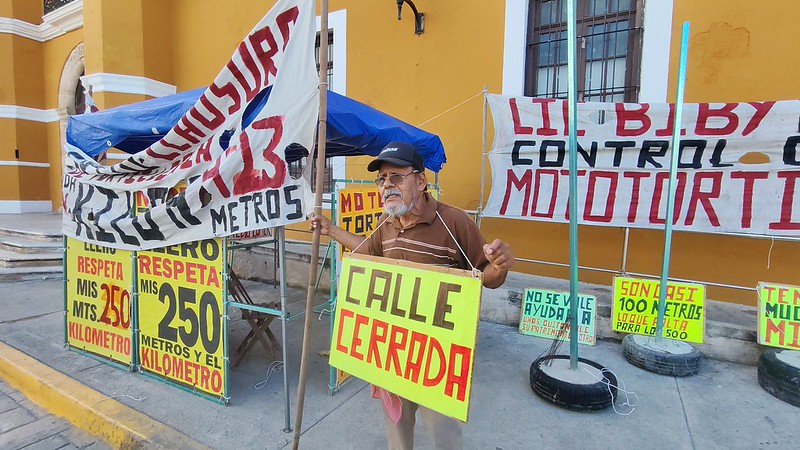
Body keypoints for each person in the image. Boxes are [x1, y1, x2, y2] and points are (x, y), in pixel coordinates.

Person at [309, 141, 514, 449]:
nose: (386, 186)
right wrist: (331, 229)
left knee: (442, 434)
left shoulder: (453, 221)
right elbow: (367, 252)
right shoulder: (386, 223)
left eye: (395, 177)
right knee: (397, 431)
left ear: (420, 181)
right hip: (395, 352)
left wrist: (500, 266)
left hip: (438, 358)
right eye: (381, 180)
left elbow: (486, 275)